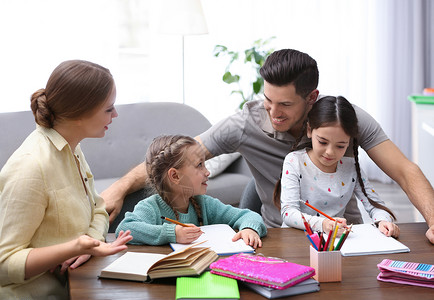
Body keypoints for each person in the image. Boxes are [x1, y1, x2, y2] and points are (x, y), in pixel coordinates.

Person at [102, 49, 434, 244]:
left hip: (346, 239)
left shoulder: (341, 120)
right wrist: (118, 188)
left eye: (285, 105)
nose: (273, 113)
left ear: (311, 98)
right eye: (268, 100)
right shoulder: (245, 123)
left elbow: (405, 170)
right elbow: (174, 159)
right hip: (284, 239)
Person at [0, 60, 133, 299]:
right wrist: (72, 248)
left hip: (75, 286)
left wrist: (89, 243)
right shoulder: (31, 167)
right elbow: (4, 263)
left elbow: (99, 209)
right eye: (108, 108)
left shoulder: (72, 147)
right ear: (80, 114)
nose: (115, 114)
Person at [274, 96, 400, 237]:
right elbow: (288, 213)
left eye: (340, 146)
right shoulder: (294, 161)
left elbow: (375, 205)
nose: (330, 152)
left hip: (334, 243)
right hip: (296, 241)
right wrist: (323, 224)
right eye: (322, 142)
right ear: (309, 130)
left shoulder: (351, 167)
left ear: (349, 141)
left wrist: (383, 221)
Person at [115, 135, 267, 248]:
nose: (207, 172)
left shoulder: (205, 204)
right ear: (175, 176)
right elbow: (125, 229)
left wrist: (249, 228)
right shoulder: (151, 207)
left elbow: (248, 215)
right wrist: (172, 233)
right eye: (199, 165)